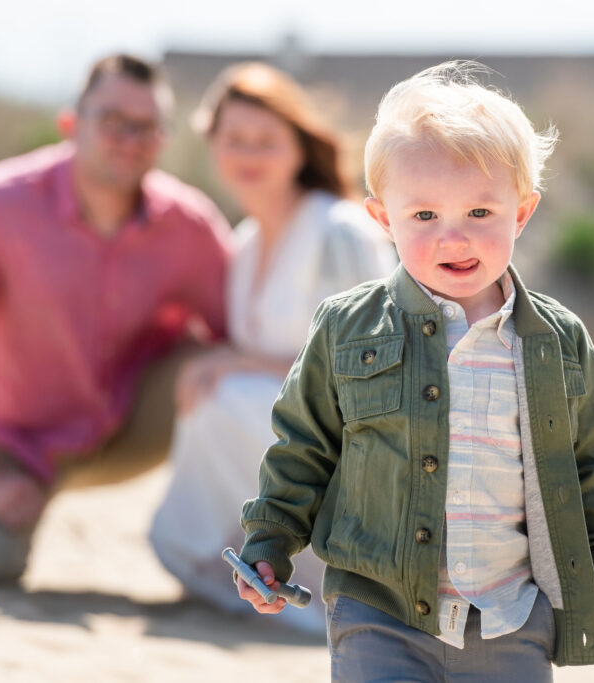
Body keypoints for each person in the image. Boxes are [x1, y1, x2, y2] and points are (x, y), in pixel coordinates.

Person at [235, 61, 594, 680]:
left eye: (480, 213)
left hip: (511, 617)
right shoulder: (348, 328)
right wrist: (268, 544)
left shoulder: (557, 341)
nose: (454, 238)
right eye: (424, 216)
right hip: (379, 611)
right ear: (383, 220)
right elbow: (302, 448)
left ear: (522, 212)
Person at [0, 54, 232, 585]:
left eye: (146, 126)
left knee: (231, 376)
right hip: (12, 442)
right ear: (69, 124)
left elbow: (241, 326)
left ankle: (237, 555)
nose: (129, 138)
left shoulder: (188, 224)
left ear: (164, 138)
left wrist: (225, 359)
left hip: (128, 424)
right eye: (111, 121)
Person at [148, 62, 394, 633]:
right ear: (213, 145)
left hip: (353, 439)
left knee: (228, 394)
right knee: (210, 393)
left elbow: (371, 361)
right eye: (235, 139)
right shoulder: (243, 243)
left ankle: (330, 571)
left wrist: (238, 364)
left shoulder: (340, 230)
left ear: (298, 148)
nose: (249, 154)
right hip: (283, 433)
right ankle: (250, 558)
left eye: (266, 141)